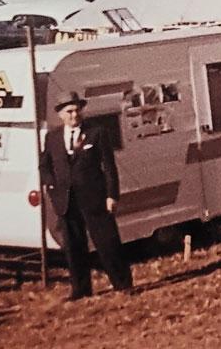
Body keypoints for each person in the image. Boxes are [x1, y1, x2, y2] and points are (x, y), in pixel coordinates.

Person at [38, 91, 133, 300]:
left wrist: (112, 195)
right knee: (73, 246)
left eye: (77, 110)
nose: (74, 115)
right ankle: (80, 289)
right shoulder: (52, 137)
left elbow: (109, 167)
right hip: (66, 201)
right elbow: (44, 166)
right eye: (69, 111)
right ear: (61, 115)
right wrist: (52, 187)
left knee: (107, 242)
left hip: (95, 198)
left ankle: (122, 284)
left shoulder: (97, 133)